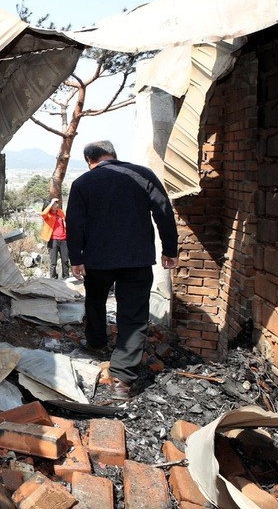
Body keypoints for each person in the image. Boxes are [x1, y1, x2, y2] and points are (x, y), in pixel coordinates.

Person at [66, 140, 178, 401]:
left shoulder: (83, 183)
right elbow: (164, 211)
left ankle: (96, 342)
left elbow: (74, 224)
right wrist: (169, 250)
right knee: (134, 315)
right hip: (136, 259)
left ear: (89, 161)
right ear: (115, 155)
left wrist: (76, 258)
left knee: (95, 301)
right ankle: (122, 380)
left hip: (97, 260)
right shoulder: (142, 175)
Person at [39, 198, 69, 279]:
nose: (56, 205)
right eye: (54, 204)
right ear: (50, 206)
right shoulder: (47, 214)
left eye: (56, 203)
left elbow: (65, 221)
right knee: (53, 262)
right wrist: (51, 202)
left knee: (65, 260)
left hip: (63, 239)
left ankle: (66, 277)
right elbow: (43, 213)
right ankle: (53, 278)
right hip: (53, 240)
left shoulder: (60, 212)